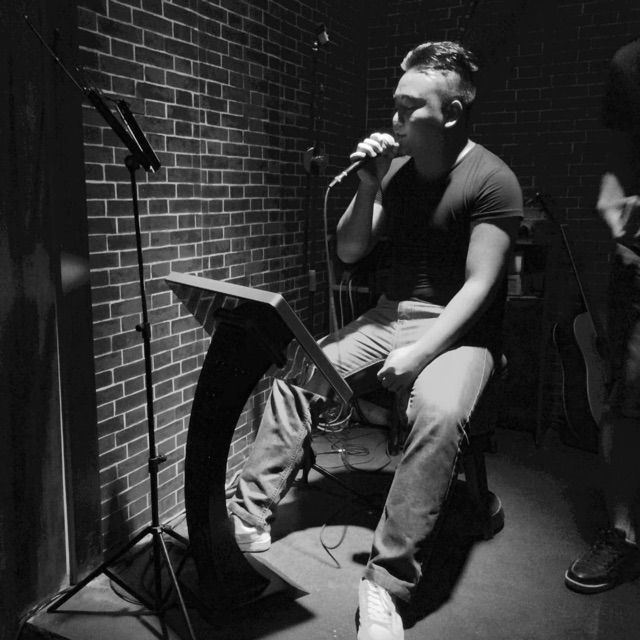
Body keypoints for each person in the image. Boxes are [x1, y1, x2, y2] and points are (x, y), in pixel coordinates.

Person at [228, 41, 522, 640]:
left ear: (452, 113)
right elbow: (350, 249)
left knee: (438, 411)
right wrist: (368, 185)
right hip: (389, 314)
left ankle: (387, 584)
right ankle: (246, 515)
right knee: (301, 368)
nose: (395, 119)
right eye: (395, 105)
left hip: (460, 328)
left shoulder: (493, 179)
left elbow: (481, 285)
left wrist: (422, 351)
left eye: (410, 107)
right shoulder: (395, 172)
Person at [564, 38, 640, 595]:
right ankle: (623, 534)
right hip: (637, 263)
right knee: (628, 398)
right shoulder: (630, 63)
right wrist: (616, 209)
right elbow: (615, 164)